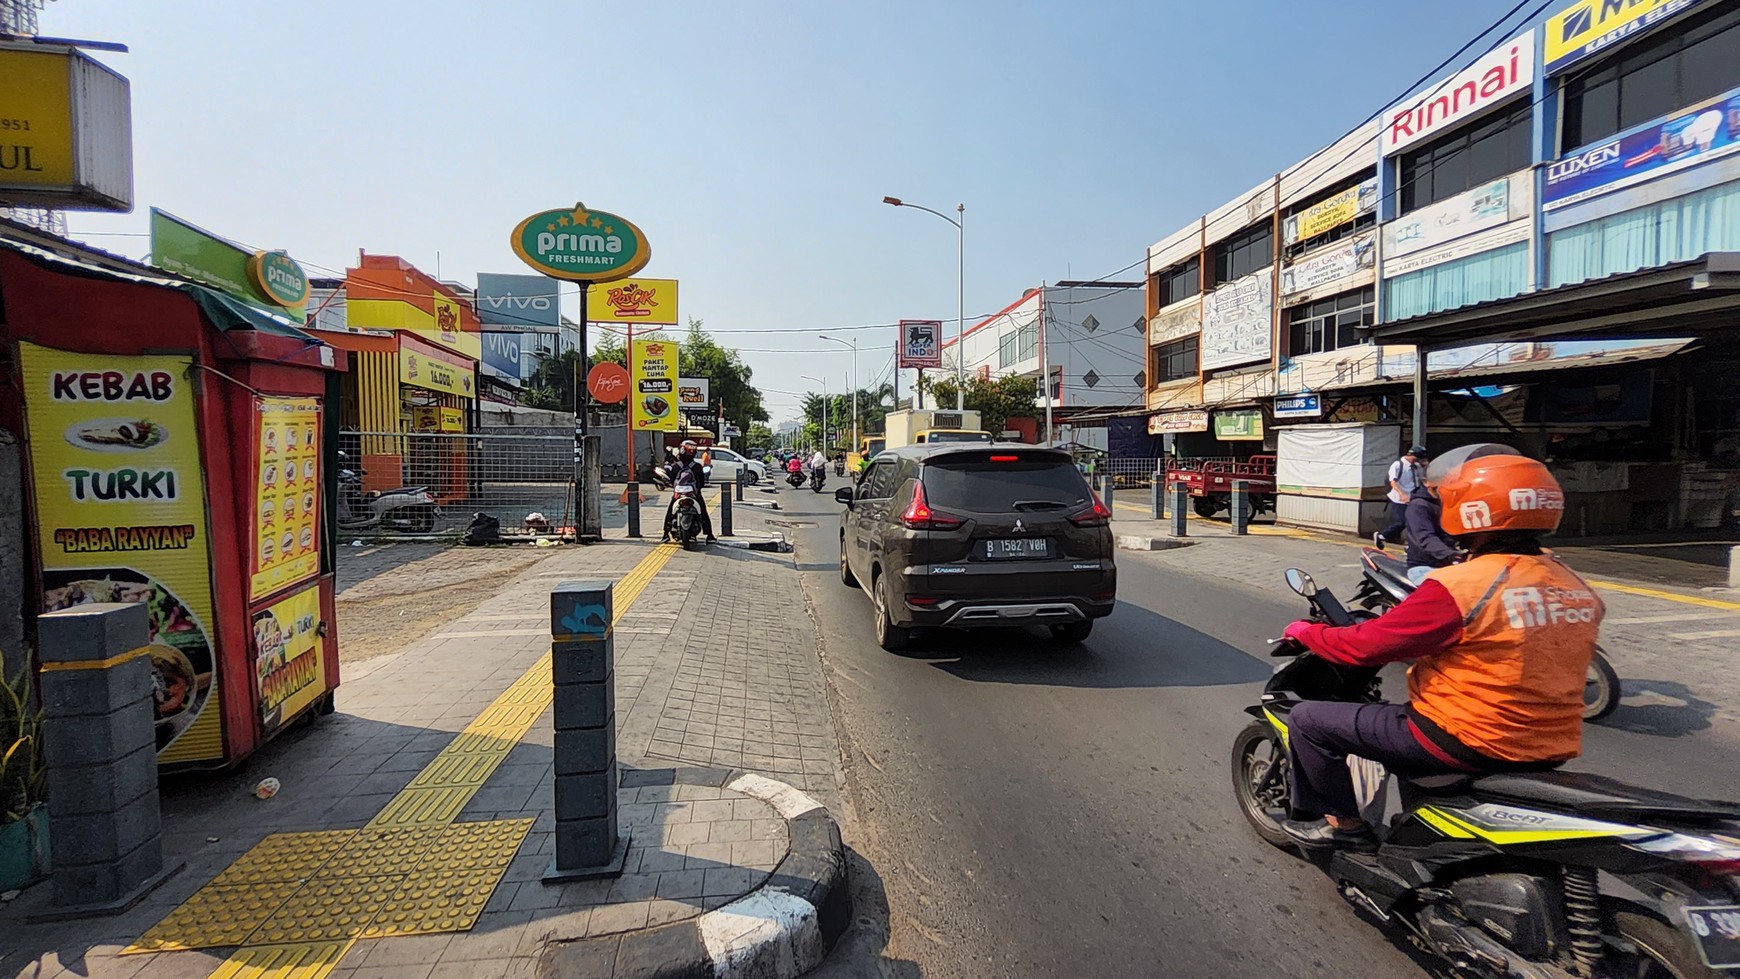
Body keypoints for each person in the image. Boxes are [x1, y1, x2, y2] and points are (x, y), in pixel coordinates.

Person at [1277, 444, 1602, 850]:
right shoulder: (1573, 584)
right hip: (1551, 744)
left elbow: (1365, 647)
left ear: (1468, 511)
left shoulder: (1463, 586)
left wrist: (1306, 632)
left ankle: (1344, 828)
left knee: (1308, 719)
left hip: (1463, 737)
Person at [1402, 474, 1462, 584]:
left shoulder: (1447, 503)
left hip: (1448, 565)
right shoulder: (1418, 506)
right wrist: (1450, 554)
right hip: (1424, 567)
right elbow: (1426, 538)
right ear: (1426, 482)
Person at [661, 440, 715, 544]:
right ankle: (709, 535)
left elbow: (671, 481)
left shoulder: (676, 466)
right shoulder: (697, 467)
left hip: (678, 494)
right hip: (694, 494)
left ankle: (665, 534)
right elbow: (702, 483)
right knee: (703, 512)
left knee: (670, 512)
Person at [1375, 445, 1429, 549]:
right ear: (1411, 455)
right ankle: (1382, 535)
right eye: (1416, 459)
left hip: (1412, 497)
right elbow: (1393, 482)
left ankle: (1411, 544)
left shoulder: (1416, 466)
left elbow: (1422, 477)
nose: (1416, 461)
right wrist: (1402, 494)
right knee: (1402, 521)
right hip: (1399, 498)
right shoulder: (1398, 465)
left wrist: (1426, 465)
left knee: (1415, 520)